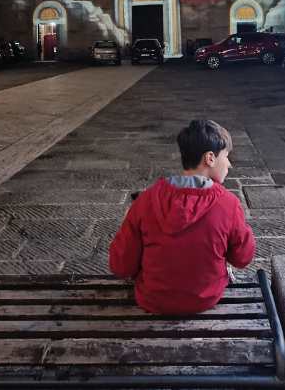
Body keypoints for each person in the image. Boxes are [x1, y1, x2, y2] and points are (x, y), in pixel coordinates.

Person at [109, 119, 255, 314]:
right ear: (210, 158)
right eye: (226, 156)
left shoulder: (146, 200)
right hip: (205, 299)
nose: (229, 164)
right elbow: (242, 258)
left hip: (152, 299)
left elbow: (121, 266)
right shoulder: (228, 204)